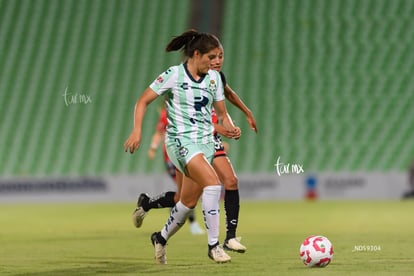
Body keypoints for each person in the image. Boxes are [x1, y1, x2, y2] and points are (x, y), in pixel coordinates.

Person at [124, 29, 240, 264]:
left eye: (219, 57)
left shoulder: (214, 78)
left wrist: (231, 126)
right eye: (211, 58)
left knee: (186, 202)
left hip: (205, 142)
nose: (215, 62)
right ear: (196, 54)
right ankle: (214, 246)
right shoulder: (174, 75)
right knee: (213, 184)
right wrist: (137, 130)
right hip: (180, 142)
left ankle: (160, 237)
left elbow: (222, 113)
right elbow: (143, 100)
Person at [143, 106, 205, 235]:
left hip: (189, 155)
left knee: (183, 195)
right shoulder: (168, 113)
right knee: (186, 193)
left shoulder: (189, 109)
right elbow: (159, 133)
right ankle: (191, 223)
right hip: (173, 158)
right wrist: (153, 147)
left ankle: (147, 204)